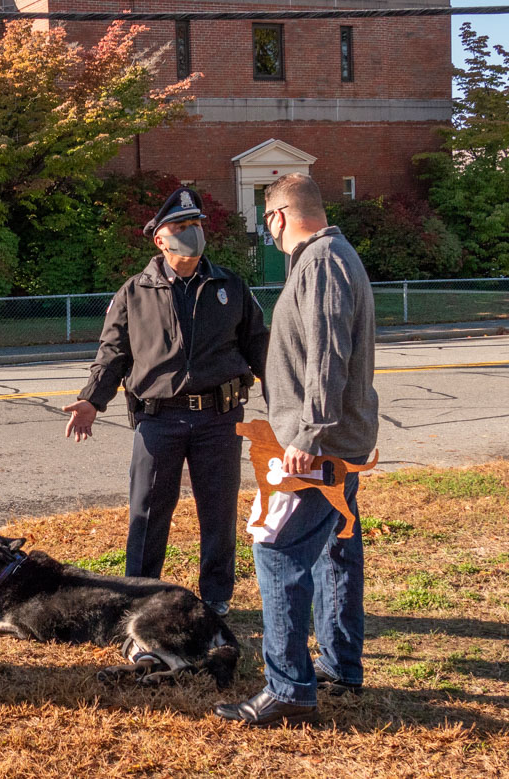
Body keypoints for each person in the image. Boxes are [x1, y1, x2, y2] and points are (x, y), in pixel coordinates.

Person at [215, 172, 378, 727]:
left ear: (278, 217)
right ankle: (340, 667)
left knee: (277, 550)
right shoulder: (330, 256)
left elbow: (327, 355)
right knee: (335, 552)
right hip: (332, 443)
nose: (270, 234)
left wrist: (308, 437)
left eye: (268, 224)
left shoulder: (322, 261)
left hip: (318, 445)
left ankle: (289, 689)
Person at [63, 187, 268, 616]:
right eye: (181, 226)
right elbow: (113, 353)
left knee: (218, 511)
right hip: (159, 420)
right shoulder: (134, 293)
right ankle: (139, 595)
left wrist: (284, 398)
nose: (191, 233)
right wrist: (90, 401)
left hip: (219, 417)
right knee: (148, 511)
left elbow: (259, 348)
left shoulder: (229, 285)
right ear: (160, 238)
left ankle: (216, 598)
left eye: (195, 225)